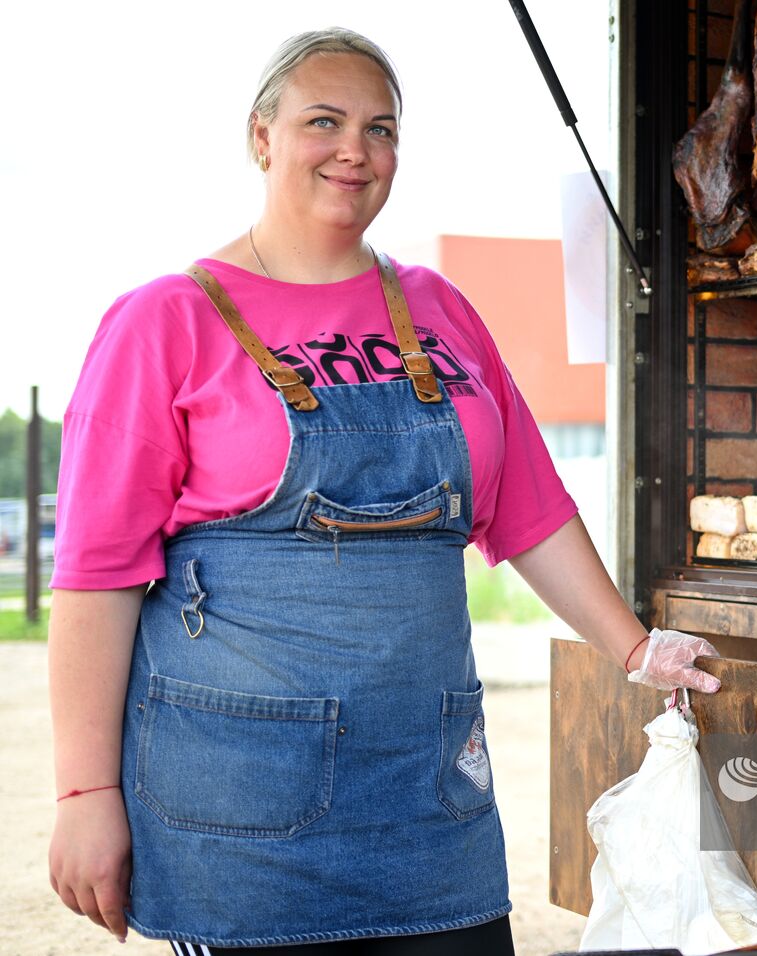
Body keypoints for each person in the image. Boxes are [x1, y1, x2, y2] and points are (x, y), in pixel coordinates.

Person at [47, 28, 721, 955]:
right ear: (262, 135)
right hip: (243, 805)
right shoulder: (166, 320)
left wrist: (636, 649)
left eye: (381, 128)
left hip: (428, 794)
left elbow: (527, 506)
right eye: (323, 120)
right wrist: (85, 795)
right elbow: (97, 577)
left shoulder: (440, 309)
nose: (355, 150)